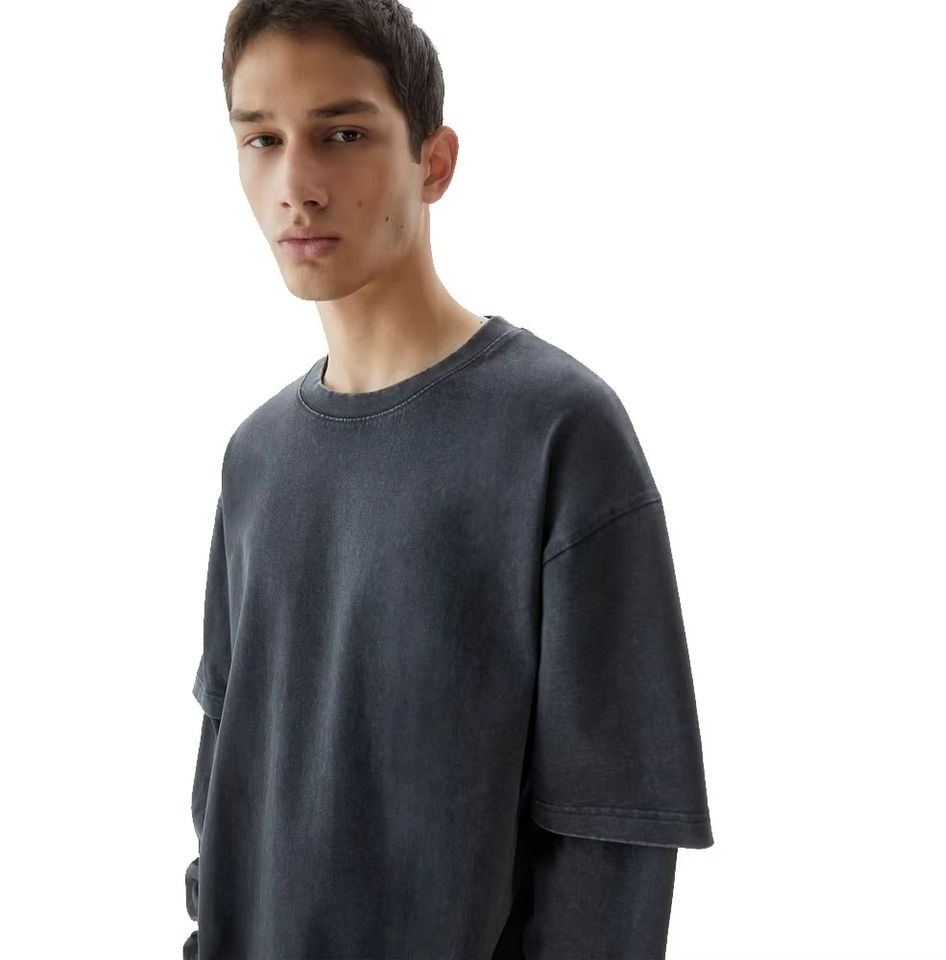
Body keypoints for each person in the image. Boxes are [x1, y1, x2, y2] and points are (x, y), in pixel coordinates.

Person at [184, 2, 714, 958]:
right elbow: (226, 789)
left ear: (433, 162)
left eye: (343, 134)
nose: (295, 185)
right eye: (262, 139)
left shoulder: (557, 432)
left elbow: (613, 837)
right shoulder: (255, 458)